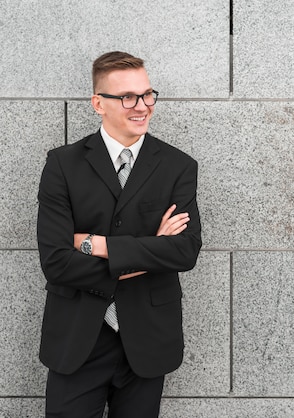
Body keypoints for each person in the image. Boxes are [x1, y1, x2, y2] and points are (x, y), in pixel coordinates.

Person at [36, 51, 202, 417]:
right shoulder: (62, 165)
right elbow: (56, 262)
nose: (142, 106)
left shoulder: (178, 167)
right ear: (98, 103)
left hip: (147, 339)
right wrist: (150, 250)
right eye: (127, 97)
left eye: (147, 94)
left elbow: (184, 252)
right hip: (77, 340)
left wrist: (94, 245)